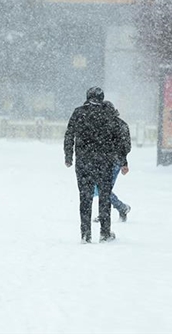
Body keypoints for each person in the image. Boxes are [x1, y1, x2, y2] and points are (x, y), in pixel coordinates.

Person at [64, 86, 123, 243]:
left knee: (85, 197)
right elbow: (118, 138)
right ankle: (104, 233)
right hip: (105, 162)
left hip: (83, 162)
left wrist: (68, 156)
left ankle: (85, 233)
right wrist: (122, 160)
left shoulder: (78, 113)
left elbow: (69, 135)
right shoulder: (108, 114)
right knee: (104, 197)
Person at [93, 101, 132, 222]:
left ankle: (120, 207)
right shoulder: (122, 125)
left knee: (101, 189)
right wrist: (123, 162)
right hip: (115, 161)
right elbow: (126, 147)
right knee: (103, 188)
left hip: (107, 161)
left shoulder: (103, 125)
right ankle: (110, 211)